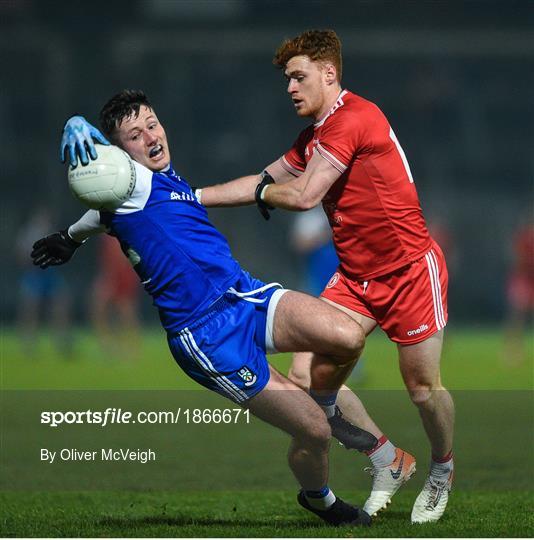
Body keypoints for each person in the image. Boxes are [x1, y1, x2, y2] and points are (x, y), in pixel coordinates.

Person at [31, 90, 376, 527]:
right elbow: (109, 186)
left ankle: (324, 402)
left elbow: (102, 217)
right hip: (208, 337)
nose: (151, 136)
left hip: (244, 295)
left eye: (152, 124)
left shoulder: (157, 180)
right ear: (119, 155)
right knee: (313, 431)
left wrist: (71, 236)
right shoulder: (128, 182)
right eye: (135, 135)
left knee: (347, 336)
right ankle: (320, 500)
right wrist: (76, 123)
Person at [194, 30, 455, 524]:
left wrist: (267, 194)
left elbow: (302, 195)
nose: (290, 87)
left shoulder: (354, 118)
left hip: (408, 273)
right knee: (303, 374)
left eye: (298, 77)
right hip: (355, 279)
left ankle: (443, 468)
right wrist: (191, 198)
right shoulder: (314, 134)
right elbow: (263, 179)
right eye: (287, 79)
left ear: (329, 74)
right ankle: (386, 459)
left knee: (422, 389)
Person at [16, 207, 73, 358]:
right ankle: (29, 344)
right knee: (30, 309)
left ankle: (61, 341)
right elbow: (21, 256)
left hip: (50, 274)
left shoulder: (52, 233)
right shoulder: (29, 233)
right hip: (34, 274)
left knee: (61, 304)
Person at [90, 233, 142, 358]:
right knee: (102, 307)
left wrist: (112, 278)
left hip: (121, 274)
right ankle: (109, 345)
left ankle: (131, 348)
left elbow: (122, 255)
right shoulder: (105, 229)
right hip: (111, 273)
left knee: (125, 310)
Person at [504, 218, 534, 365]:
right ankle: (512, 349)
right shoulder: (524, 238)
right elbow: (517, 258)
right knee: (517, 315)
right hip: (524, 279)